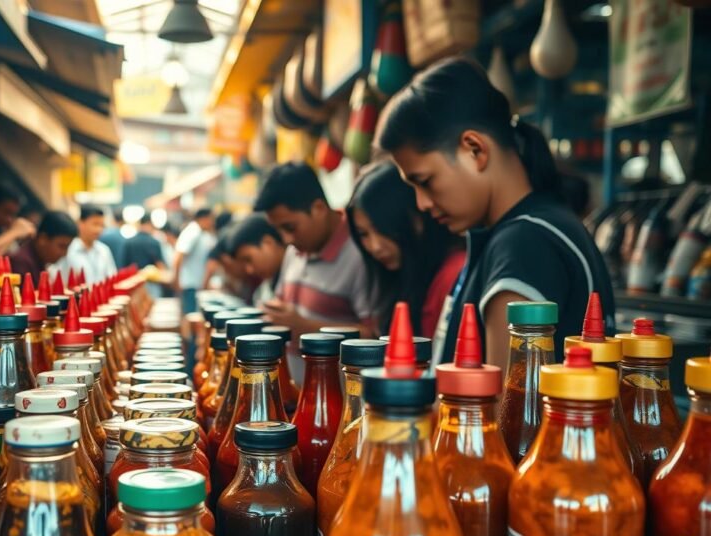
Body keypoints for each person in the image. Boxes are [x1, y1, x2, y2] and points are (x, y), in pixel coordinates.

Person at [375, 56, 614, 367]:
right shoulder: (538, 226)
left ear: (475, 149)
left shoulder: (523, 245)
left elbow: (504, 408)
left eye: (425, 181)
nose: (422, 203)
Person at [254, 161, 378, 338]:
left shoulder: (361, 252)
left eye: (290, 227)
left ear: (318, 208)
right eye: (279, 230)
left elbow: (374, 337)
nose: (286, 239)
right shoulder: (293, 250)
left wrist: (304, 326)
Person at [348, 161, 465, 338]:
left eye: (382, 229)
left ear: (416, 218)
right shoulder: (400, 278)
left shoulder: (453, 274)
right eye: (363, 234)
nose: (375, 246)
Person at [49, 204, 117, 285]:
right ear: (81, 224)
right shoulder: (67, 249)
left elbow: (112, 276)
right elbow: (54, 276)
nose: (99, 230)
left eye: (102, 226)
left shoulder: (104, 250)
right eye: (95, 224)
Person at [227, 213, 286, 306]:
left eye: (248, 259)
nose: (249, 270)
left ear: (268, 243)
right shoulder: (267, 285)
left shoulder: (297, 273)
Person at [9, 210, 78, 283]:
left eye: (67, 247)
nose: (65, 253)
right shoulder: (21, 262)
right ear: (43, 239)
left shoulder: (39, 260)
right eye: (62, 246)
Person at [173, 209, 217, 314]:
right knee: (190, 316)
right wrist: (177, 280)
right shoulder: (193, 232)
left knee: (193, 316)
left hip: (193, 283)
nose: (213, 223)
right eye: (211, 219)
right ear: (204, 218)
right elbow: (179, 256)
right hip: (190, 284)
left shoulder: (199, 232)